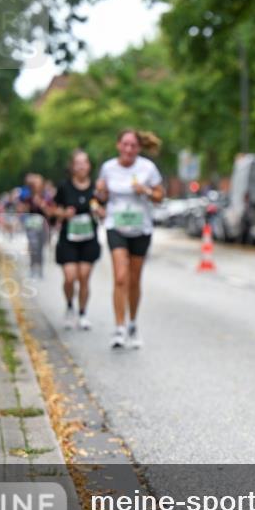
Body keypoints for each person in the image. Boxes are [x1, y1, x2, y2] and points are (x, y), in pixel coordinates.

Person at [95, 129, 165, 349]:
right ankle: (119, 327)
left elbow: (160, 197)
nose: (128, 149)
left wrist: (144, 190)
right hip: (116, 226)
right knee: (120, 277)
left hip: (141, 228)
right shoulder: (108, 168)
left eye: (133, 145)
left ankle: (133, 323)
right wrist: (100, 196)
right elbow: (100, 198)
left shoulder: (147, 168)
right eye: (125, 144)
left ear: (139, 148)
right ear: (118, 145)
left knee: (134, 280)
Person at [53, 150, 103, 330]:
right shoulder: (64, 187)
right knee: (69, 277)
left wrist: (99, 212)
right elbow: (53, 210)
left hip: (89, 238)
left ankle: (82, 313)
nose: (81, 166)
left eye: (85, 162)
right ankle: (69, 306)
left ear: (89, 166)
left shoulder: (96, 188)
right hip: (68, 238)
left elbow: (105, 210)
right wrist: (64, 213)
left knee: (84, 277)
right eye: (78, 163)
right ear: (72, 167)